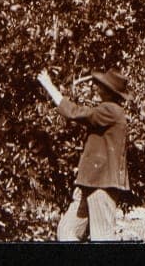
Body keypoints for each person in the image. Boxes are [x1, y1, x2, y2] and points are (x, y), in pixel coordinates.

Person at [37, 68, 130, 242]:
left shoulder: (111, 110)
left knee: (102, 237)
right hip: (90, 183)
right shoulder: (108, 111)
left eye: (101, 86)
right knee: (66, 231)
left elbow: (75, 113)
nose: (96, 88)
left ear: (109, 92)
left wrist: (49, 86)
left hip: (101, 184)